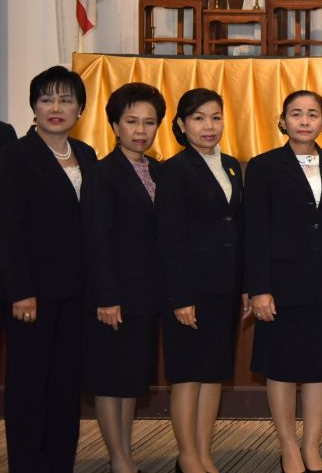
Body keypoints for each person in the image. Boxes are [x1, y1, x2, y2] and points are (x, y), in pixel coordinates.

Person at [0, 65, 99, 473]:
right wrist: (20, 290)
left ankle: (60, 463)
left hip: (77, 292)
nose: (56, 108)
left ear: (80, 109)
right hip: (32, 295)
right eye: (46, 99)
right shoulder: (15, 156)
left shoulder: (87, 155)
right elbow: (8, 229)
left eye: (65, 100)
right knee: (28, 385)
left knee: (65, 385)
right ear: (34, 107)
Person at [244, 91, 322, 473]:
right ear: (283, 120)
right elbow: (254, 232)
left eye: (313, 114)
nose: (305, 121)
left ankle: (311, 446)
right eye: (296, 114)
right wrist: (259, 288)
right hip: (281, 286)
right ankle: (288, 446)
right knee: (281, 368)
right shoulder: (264, 166)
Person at [157, 87, 248, 473]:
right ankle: (187, 456)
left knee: (214, 373)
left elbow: (238, 227)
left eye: (215, 117)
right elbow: (171, 239)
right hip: (190, 289)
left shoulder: (231, 165)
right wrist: (180, 296)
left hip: (225, 286)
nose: (209, 126)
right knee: (187, 374)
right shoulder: (174, 170)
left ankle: (203, 452)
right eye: (198, 118)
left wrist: (245, 285)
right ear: (181, 124)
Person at [82, 83, 167, 473]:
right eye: (132, 121)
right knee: (110, 379)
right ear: (115, 125)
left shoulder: (160, 171)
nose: (141, 130)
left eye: (149, 122)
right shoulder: (102, 173)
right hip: (114, 295)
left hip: (147, 294)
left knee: (132, 378)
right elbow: (96, 239)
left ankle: (126, 452)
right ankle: (119, 458)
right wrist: (107, 296)